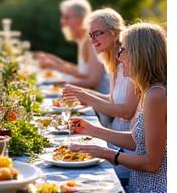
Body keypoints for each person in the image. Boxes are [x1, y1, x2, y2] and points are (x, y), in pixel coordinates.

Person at [68, 23, 167, 192]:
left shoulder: (156, 95)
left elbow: (152, 163)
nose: (119, 57)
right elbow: (139, 141)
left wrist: (106, 153)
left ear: (140, 54)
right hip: (139, 185)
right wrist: (92, 130)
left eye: (123, 50)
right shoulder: (148, 90)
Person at [62, 8, 140, 186]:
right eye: (90, 35)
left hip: (125, 151)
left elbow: (126, 111)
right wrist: (81, 93)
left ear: (114, 34)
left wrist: (87, 97)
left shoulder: (131, 65)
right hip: (113, 141)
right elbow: (113, 100)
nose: (92, 40)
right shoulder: (114, 63)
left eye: (97, 34)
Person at [35, 0, 109, 94]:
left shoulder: (91, 41)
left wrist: (57, 84)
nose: (62, 22)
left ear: (82, 18)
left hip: (102, 103)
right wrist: (57, 63)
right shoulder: (83, 40)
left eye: (67, 17)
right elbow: (83, 73)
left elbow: (93, 82)